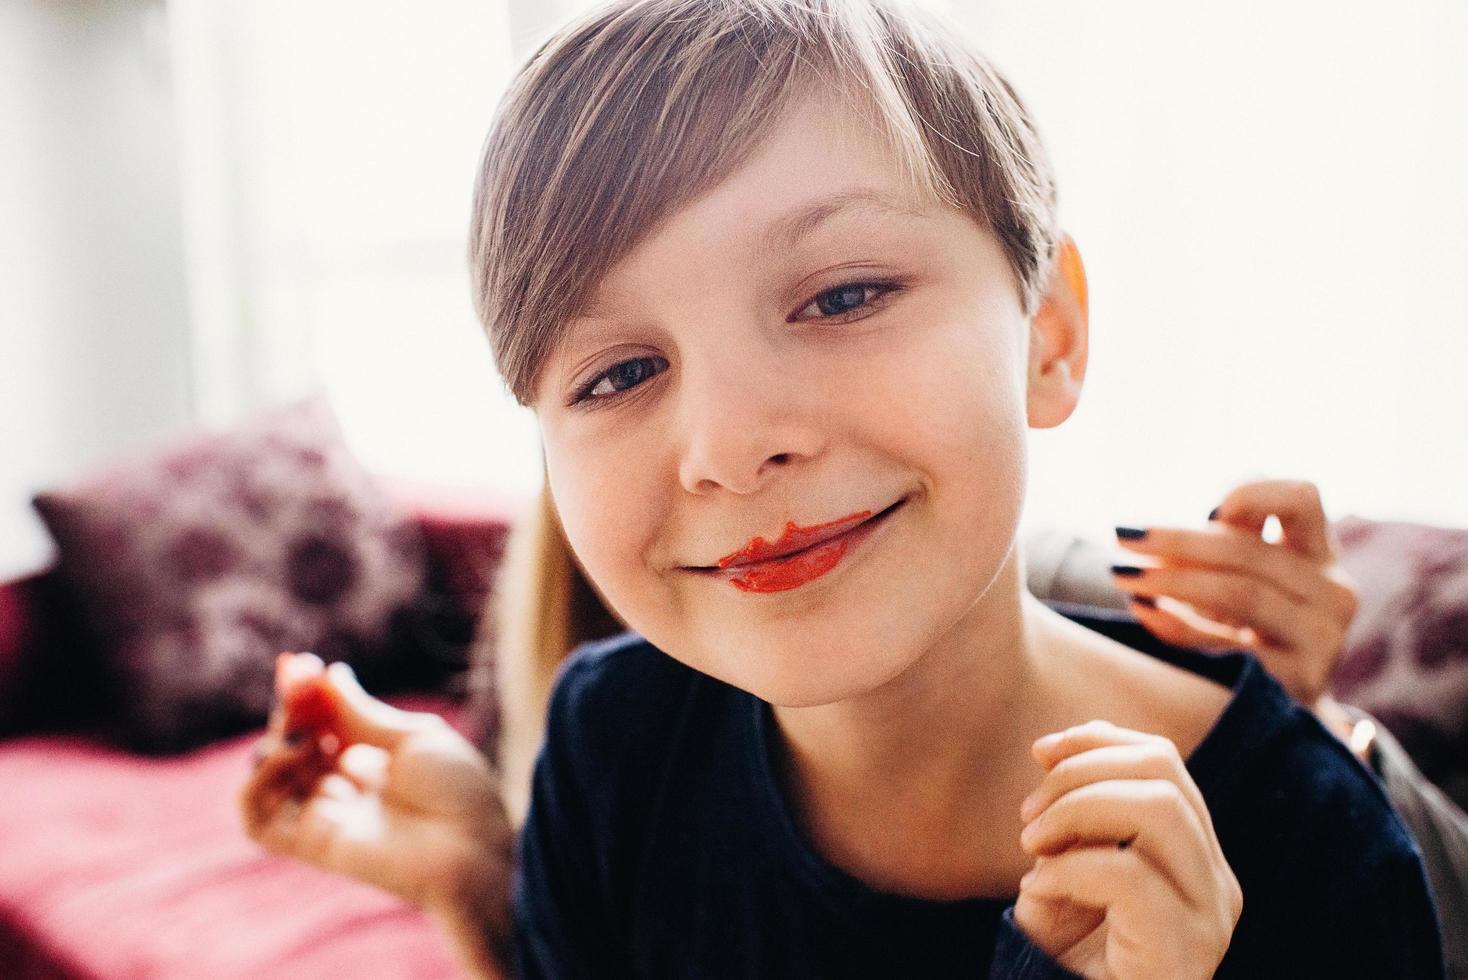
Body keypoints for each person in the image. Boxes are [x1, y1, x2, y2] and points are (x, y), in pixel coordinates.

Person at [240, 0, 1448, 976]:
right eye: (619, 371)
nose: (730, 444)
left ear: (1049, 335)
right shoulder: (609, 742)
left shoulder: (1309, 848)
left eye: (842, 296)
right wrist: (471, 885)